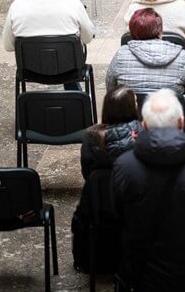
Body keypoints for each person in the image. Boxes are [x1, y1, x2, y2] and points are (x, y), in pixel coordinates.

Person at [112, 89, 185, 291]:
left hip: (145, 276)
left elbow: (118, 211)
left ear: (144, 125)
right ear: (182, 123)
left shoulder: (125, 166)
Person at [71, 87, 141, 274]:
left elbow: (87, 174)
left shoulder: (91, 136)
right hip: (136, 211)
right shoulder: (145, 134)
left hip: (100, 208)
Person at [105, 8, 185, 137]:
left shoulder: (120, 56)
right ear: (160, 32)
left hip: (131, 127)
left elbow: (112, 90)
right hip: (172, 123)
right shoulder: (181, 56)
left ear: (132, 32)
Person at [3, 0, 95, 90]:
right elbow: (88, 38)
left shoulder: (17, 7)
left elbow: (8, 45)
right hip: (70, 71)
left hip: (30, 71)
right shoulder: (73, 5)